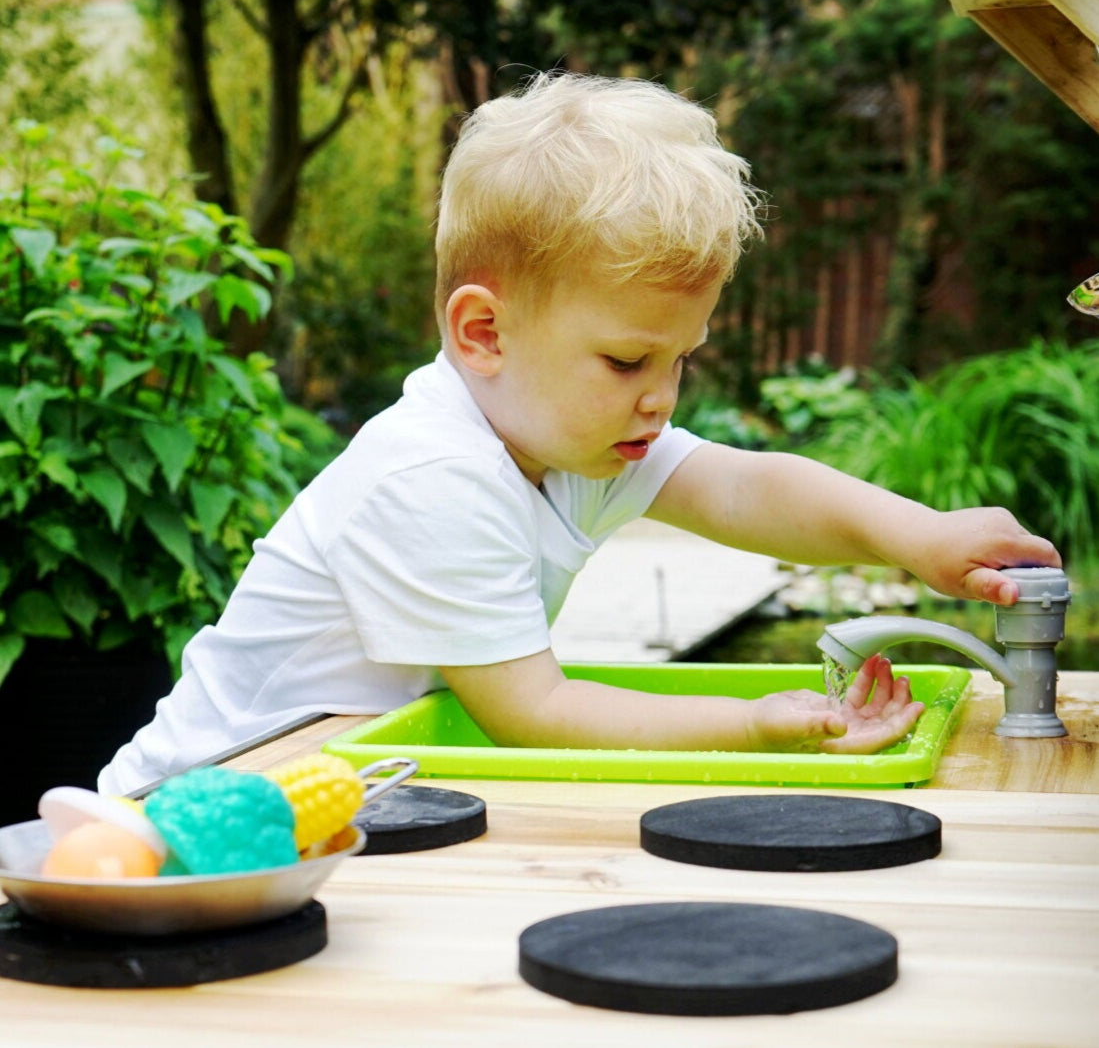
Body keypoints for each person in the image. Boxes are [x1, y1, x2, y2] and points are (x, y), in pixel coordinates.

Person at [99, 73, 1060, 796]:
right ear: (483, 333)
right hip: (188, 811)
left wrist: (920, 536)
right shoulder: (434, 472)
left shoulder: (570, 437)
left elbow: (741, 487)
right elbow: (537, 711)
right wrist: (753, 723)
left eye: (681, 359)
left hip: (338, 792)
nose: (661, 398)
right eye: (627, 361)